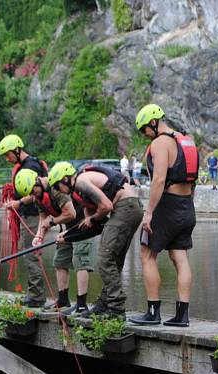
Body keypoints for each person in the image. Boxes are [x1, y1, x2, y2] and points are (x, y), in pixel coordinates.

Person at [130, 104, 199, 327]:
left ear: (153, 122)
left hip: (167, 205)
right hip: (187, 205)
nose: (144, 135)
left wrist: (149, 213)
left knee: (147, 255)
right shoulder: (185, 141)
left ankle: (152, 312)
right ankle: (182, 315)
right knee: (180, 257)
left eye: (143, 130)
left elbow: (159, 180)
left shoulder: (161, 143)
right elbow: (193, 179)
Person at [48, 160, 143, 319]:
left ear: (65, 179)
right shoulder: (80, 195)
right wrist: (67, 237)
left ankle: (116, 308)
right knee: (112, 260)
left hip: (126, 207)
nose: (59, 191)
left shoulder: (81, 181)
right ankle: (104, 304)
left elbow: (106, 207)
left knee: (104, 258)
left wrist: (92, 220)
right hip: (131, 208)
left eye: (57, 187)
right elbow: (91, 227)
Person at [28, 169, 93, 315]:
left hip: (82, 223)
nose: (32, 195)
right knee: (60, 261)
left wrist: (52, 221)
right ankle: (63, 300)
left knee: (80, 262)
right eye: (30, 194)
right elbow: (43, 219)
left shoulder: (56, 190)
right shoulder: (38, 196)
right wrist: (39, 237)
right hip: (67, 228)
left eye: (33, 191)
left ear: (37, 182)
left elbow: (70, 213)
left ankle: (82, 305)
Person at [0, 133, 51, 308]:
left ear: (17, 149)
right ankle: (34, 293)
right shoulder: (27, 164)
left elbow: (35, 192)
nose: (7, 159)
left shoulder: (31, 165)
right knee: (30, 254)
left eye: (8, 154)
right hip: (29, 215)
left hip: (34, 215)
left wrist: (18, 202)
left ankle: (36, 296)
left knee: (31, 254)